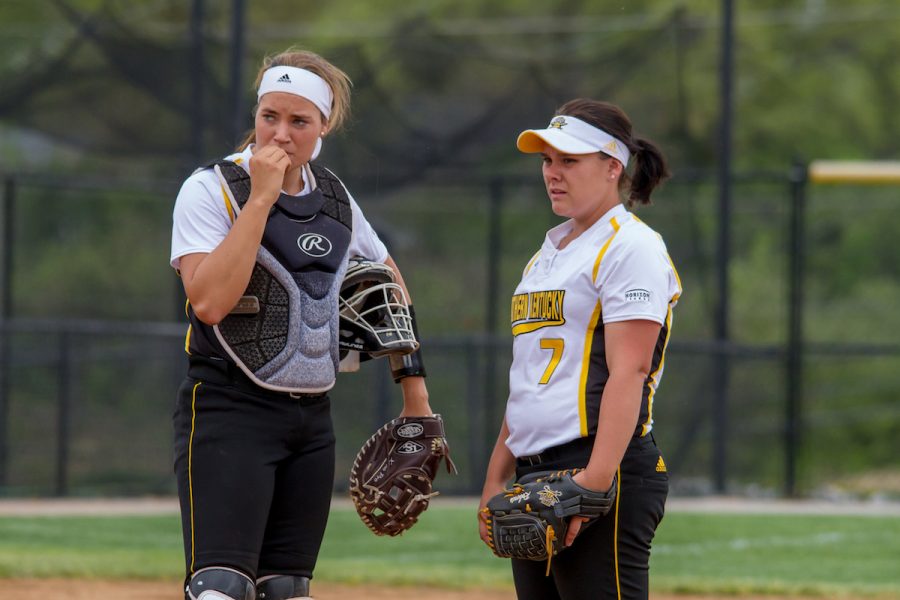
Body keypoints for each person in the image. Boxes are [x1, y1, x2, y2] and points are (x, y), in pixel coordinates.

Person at [169, 48, 432, 600]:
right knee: (221, 588)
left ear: (325, 124)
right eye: (270, 116)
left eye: (298, 121)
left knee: (286, 589)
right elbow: (210, 302)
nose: (280, 134)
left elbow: (390, 293)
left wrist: (417, 403)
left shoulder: (334, 199)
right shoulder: (211, 188)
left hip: (312, 421)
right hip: (229, 410)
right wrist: (261, 198)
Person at [478, 99, 682, 600]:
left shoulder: (630, 246)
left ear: (613, 167)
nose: (553, 172)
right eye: (548, 160)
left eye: (570, 161)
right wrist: (495, 480)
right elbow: (530, 381)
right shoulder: (545, 258)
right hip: (536, 474)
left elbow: (629, 372)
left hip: (601, 466)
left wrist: (593, 485)